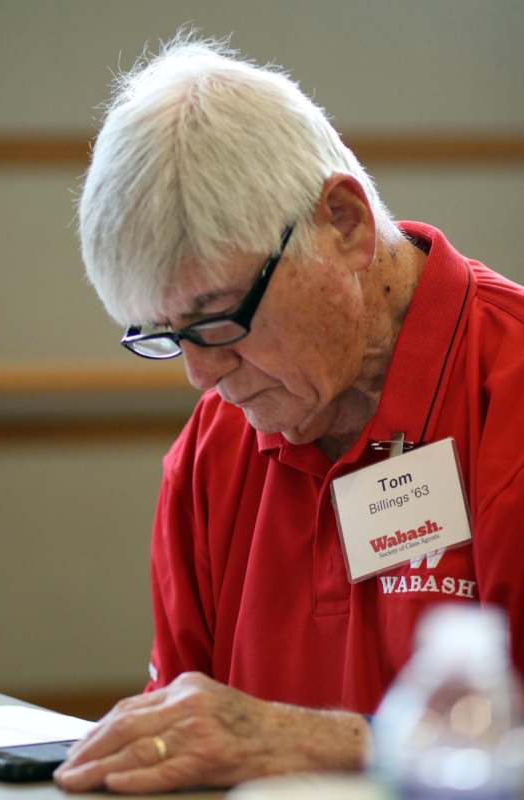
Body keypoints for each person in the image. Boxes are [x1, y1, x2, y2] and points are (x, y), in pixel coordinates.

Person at [55, 34, 524, 795]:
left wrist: (338, 744)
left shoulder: (507, 400)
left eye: (217, 318)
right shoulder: (216, 445)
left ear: (341, 222)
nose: (200, 376)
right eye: (166, 335)